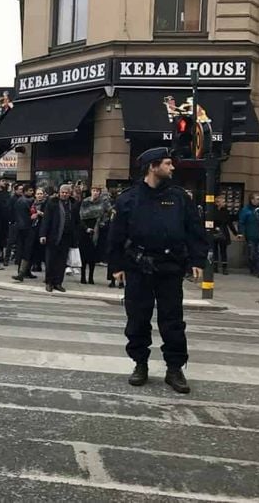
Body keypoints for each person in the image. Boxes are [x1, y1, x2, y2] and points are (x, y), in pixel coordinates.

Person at [108, 147, 208, 394]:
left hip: (170, 268)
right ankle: (140, 363)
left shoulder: (179, 197)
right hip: (138, 268)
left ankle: (174, 368)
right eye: (167, 163)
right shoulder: (128, 199)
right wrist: (116, 266)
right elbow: (116, 236)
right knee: (138, 318)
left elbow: (195, 230)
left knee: (172, 320)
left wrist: (197, 260)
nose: (172, 167)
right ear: (152, 167)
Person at [39, 184, 77, 292]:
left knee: (61, 261)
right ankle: (49, 282)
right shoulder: (52, 203)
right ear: (59, 192)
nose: (64, 194)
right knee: (50, 260)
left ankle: (58, 282)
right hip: (53, 236)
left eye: (66, 192)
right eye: (62, 192)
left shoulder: (73, 204)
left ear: (70, 193)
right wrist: (43, 235)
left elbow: (76, 221)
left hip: (66, 237)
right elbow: (46, 219)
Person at [78, 186, 111, 285]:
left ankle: (91, 277)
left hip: (97, 229)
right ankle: (83, 276)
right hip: (85, 228)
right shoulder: (85, 201)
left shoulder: (103, 202)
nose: (95, 193)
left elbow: (110, 212)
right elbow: (81, 217)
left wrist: (103, 221)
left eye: (97, 191)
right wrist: (86, 228)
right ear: (91, 192)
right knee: (84, 255)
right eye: (94, 191)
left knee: (93, 256)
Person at [12, 186, 37, 281]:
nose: (32, 192)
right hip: (27, 228)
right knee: (27, 251)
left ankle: (22, 271)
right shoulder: (28, 202)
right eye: (30, 190)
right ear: (26, 191)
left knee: (22, 250)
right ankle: (23, 272)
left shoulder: (19, 201)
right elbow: (30, 215)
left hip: (20, 228)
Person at [213, 195, 237, 275]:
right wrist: (214, 228)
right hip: (214, 232)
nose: (224, 203)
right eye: (223, 202)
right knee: (214, 250)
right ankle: (215, 266)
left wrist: (235, 233)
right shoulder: (212, 211)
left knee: (223, 250)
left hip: (223, 232)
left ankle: (224, 267)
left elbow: (229, 223)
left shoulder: (225, 211)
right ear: (217, 203)